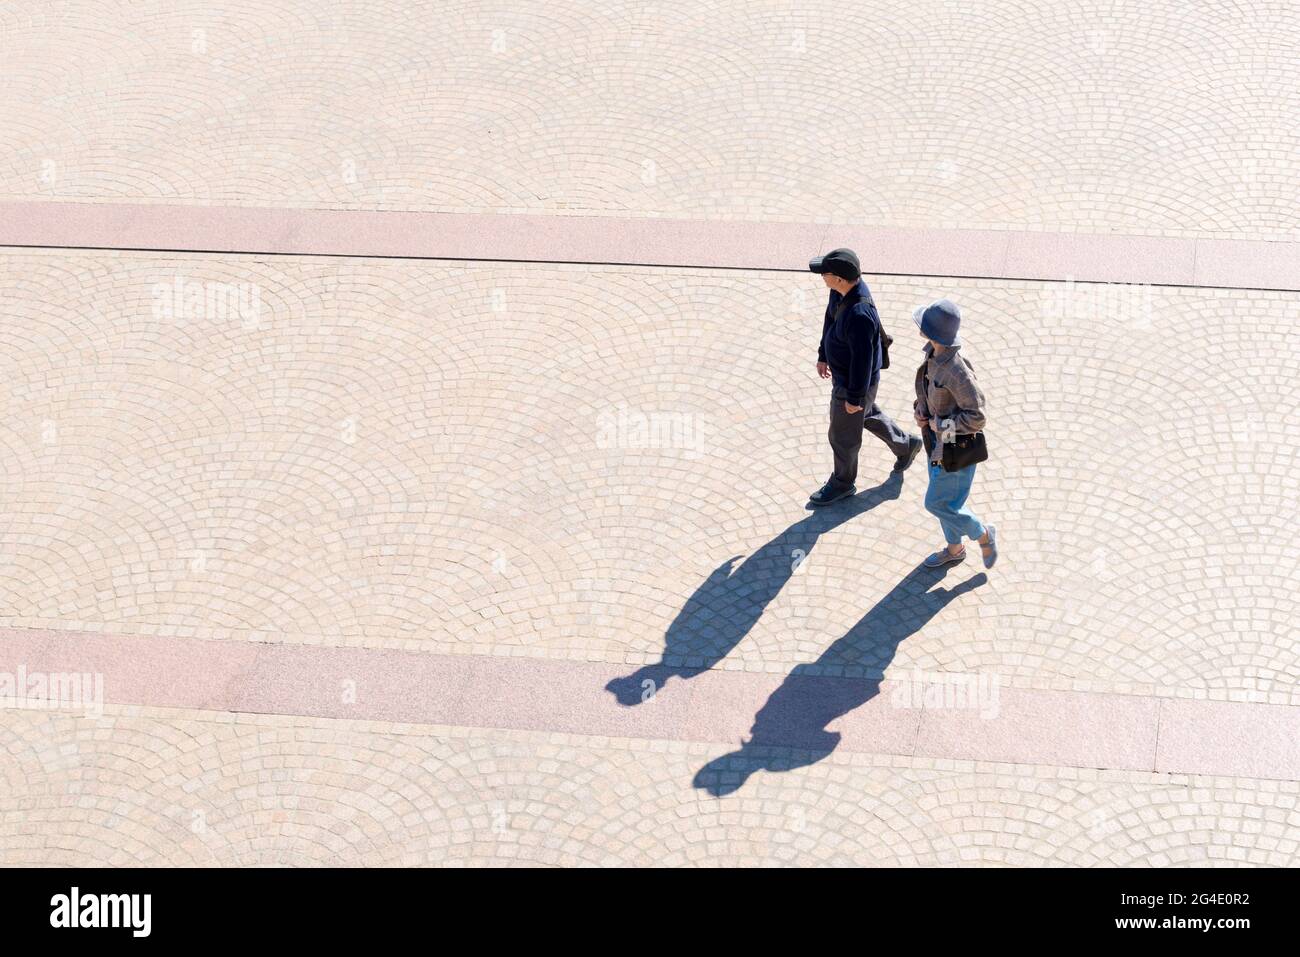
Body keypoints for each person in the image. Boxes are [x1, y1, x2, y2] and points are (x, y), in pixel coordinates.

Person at [807, 248, 921, 507]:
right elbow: (829, 320)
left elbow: (863, 359)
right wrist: (823, 353)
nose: (821, 277)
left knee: (843, 434)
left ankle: (842, 483)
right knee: (865, 414)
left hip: (852, 383)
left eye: (824, 274)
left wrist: (854, 397)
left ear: (838, 277)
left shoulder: (860, 316)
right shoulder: (839, 292)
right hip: (850, 379)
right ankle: (906, 445)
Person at [911, 299, 998, 568]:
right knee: (947, 503)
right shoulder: (933, 354)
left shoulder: (957, 371)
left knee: (937, 504)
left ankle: (983, 533)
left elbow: (978, 416)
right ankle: (955, 549)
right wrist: (919, 411)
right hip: (936, 446)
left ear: (935, 333)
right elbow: (929, 394)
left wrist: (940, 425)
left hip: (955, 452)